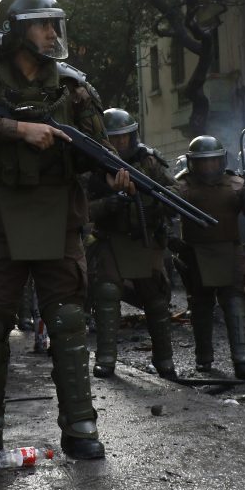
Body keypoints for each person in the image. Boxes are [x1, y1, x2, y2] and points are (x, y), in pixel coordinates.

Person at [0, 0, 127, 462]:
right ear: (15, 31)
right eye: (41, 24)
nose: (51, 33)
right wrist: (19, 130)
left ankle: (81, 426)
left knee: (66, 320)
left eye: (53, 24)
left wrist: (114, 172)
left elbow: (99, 149)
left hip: (59, 218)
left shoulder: (74, 88)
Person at [87, 108, 178, 380]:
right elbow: (78, 208)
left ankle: (165, 361)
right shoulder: (92, 165)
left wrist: (146, 198)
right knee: (106, 293)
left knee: (157, 301)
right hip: (110, 241)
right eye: (114, 139)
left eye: (125, 138)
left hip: (145, 240)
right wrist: (108, 202)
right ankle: (106, 359)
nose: (120, 144)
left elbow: (175, 192)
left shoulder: (148, 162)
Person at [175, 136, 245, 380]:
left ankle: (242, 359)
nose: (209, 167)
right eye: (203, 163)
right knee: (201, 306)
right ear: (193, 163)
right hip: (196, 252)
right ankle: (204, 358)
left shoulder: (236, 184)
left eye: (213, 162)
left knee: (235, 303)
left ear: (221, 161)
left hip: (230, 250)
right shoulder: (183, 186)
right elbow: (166, 209)